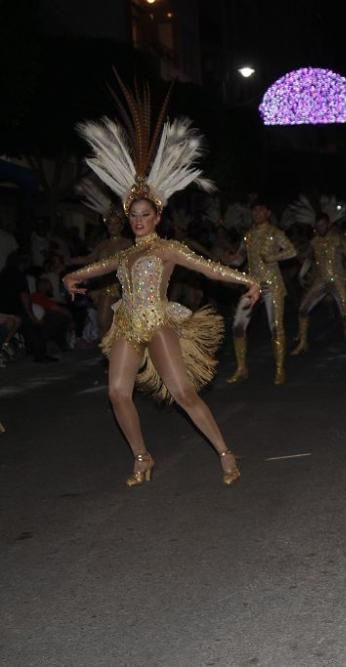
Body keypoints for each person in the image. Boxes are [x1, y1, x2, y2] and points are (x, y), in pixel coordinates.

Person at [64, 76, 260, 487]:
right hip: (126, 326)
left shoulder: (168, 249)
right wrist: (71, 276)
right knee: (117, 393)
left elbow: (208, 268)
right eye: (133, 216)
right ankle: (141, 456)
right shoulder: (126, 253)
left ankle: (225, 452)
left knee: (183, 395)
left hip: (158, 325)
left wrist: (246, 279)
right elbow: (97, 270)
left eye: (144, 216)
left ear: (157, 217)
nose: (137, 222)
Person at [225, 200, 296, 384]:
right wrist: (228, 260)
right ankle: (241, 368)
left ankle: (280, 369)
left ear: (268, 213)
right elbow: (239, 258)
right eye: (254, 210)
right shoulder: (248, 236)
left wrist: (273, 256)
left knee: (275, 326)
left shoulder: (275, 233)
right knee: (238, 326)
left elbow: (292, 251)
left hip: (273, 284)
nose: (256, 213)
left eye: (260, 210)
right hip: (253, 285)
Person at [286, 197, 346, 357]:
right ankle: (303, 342)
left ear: (328, 224)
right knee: (303, 309)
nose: (320, 228)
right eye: (317, 225)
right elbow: (308, 259)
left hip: (338, 279)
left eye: (322, 225)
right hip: (320, 280)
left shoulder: (338, 239)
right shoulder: (314, 242)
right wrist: (301, 274)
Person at [68, 178, 133, 337]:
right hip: (103, 286)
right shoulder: (102, 244)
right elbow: (90, 259)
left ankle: (114, 355)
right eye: (109, 224)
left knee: (110, 322)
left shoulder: (128, 243)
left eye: (116, 223)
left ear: (121, 225)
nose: (112, 227)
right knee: (104, 323)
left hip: (122, 287)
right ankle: (110, 355)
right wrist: (70, 260)